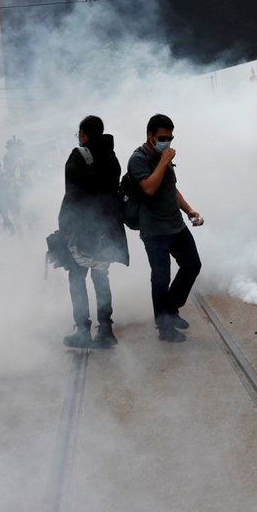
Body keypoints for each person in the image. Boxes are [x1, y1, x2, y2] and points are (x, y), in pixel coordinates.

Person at [127, 114, 203, 342]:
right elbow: (149, 188)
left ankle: (171, 309)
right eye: (162, 137)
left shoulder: (164, 156)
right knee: (161, 278)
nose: (167, 142)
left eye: (170, 138)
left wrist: (190, 211)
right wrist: (162, 161)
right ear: (150, 135)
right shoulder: (138, 159)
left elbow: (172, 189)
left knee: (192, 265)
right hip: (155, 230)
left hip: (175, 225)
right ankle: (164, 328)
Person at [57, 115, 129, 349]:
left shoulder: (78, 157)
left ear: (85, 134)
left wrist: (64, 227)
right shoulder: (112, 155)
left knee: (77, 277)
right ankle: (106, 330)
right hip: (107, 229)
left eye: (80, 133)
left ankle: (83, 331)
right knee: (101, 276)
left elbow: (72, 195)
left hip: (83, 229)